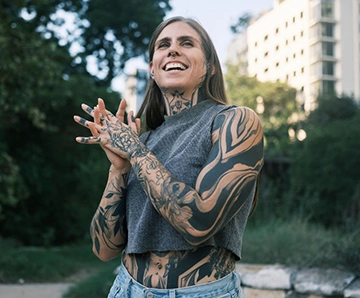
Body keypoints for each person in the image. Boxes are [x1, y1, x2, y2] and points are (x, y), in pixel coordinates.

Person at [74, 16, 264, 298]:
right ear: (152, 68)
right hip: (126, 289)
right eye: (163, 45)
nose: (173, 50)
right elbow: (104, 249)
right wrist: (119, 169)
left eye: (187, 43)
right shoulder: (144, 141)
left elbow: (198, 223)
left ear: (210, 65)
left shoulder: (234, 122)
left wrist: (136, 151)